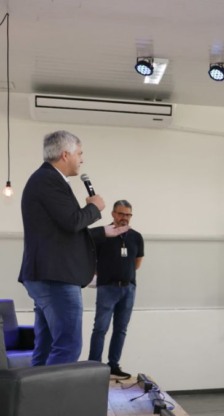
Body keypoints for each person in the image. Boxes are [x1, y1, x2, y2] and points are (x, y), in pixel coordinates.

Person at [19, 130, 129, 366]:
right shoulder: (48, 180)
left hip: (48, 275)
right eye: (80, 153)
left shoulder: (47, 179)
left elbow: (61, 231)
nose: (82, 159)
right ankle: (53, 402)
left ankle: (36, 401)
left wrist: (102, 232)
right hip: (55, 277)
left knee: (47, 346)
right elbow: (72, 222)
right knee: (68, 346)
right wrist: (95, 208)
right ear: (65, 154)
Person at [87, 200, 143, 379]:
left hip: (128, 289)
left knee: (121, 329)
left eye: (128, 215)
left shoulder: (136, 237)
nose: (124, 218)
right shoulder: (103, 235)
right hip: (107, 288)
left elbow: (137, 263)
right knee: (100, 328)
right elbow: (92, 260)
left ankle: (113, 365)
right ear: (113, 214)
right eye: (121, 214)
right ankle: (94, 365)